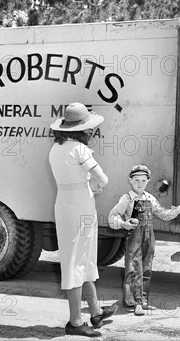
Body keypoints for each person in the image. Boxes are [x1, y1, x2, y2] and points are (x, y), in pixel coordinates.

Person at [49, 102, 117, 337]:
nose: (90, 132)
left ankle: (95, 311)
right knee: (81, 259)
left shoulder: (55, 149)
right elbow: (104, 180)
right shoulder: (80, 150)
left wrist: (89, 185)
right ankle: (76, 321)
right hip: (83, 208)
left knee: (81, 257)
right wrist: (95, 186)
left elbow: (70, 179)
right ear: (81, 130)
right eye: (88, 129)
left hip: (66, 205)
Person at [108, 165, 180, 316]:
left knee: (147, 268)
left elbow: (163, 214)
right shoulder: (127, 199)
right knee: (134, 268)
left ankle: (143, 300)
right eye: (136, 180)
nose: (140, 184)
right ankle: (134, 302)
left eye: (143, 180)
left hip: (149, 237)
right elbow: (112, 217)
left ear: (148, 181)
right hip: (134, 237)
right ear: (130, 180)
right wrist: (123, 224)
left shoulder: (150, 198)